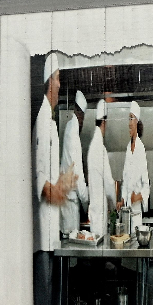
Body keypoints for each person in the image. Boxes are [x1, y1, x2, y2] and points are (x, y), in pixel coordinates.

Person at [32, 53, 77, 305]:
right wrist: (53, 189)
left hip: (50, 233)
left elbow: (47, 175)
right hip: (42, 235)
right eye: (59, 78)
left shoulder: (48, 121)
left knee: (50, 302)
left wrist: (63, 183)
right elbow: (36, 174)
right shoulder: (41, 120)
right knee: (43, 303)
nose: (61, 84)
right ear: (50, 82)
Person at [60, 90, 90, 235]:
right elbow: (78, 175)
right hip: (70, 203)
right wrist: (87, 202)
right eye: (82, 117)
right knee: (70, 243)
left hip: (67, 200)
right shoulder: (73, 135)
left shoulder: (69, 128)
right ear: (80, 114)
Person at [85, 99, 117, 238]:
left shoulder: (93, 146)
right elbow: (109, 183)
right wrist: (115, 205)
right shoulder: (99, 148)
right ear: (104, 122)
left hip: (94, 209)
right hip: (100, 212)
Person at [121, 100, 151, 230]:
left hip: (136, 215)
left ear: (137, 122)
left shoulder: (140, 149)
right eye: (128, 118)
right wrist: (122, 199)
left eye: (131, 118)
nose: (129, 123)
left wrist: (138, 196)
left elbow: (146, 184)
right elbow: (125, 180)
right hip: (125, 214)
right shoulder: (128, 148)